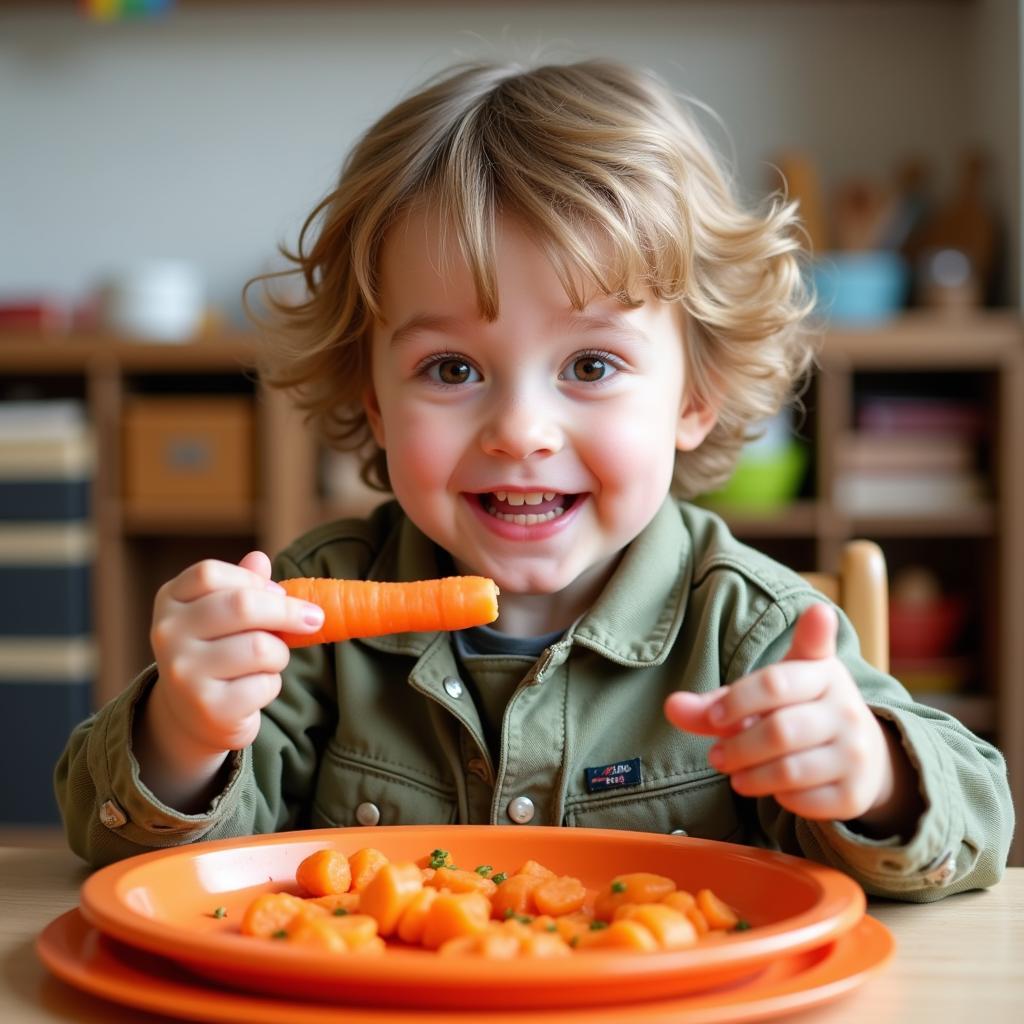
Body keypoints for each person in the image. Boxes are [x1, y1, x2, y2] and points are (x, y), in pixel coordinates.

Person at [56, 60, 1012, 898]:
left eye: (590, 366)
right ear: (376, 400)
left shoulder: (754, 629)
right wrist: (183, 733)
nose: (519, 432)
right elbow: (123, 856)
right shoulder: (303, 628)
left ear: (697, 396)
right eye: (452, 369)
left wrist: (875, 778)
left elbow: (981, 823)